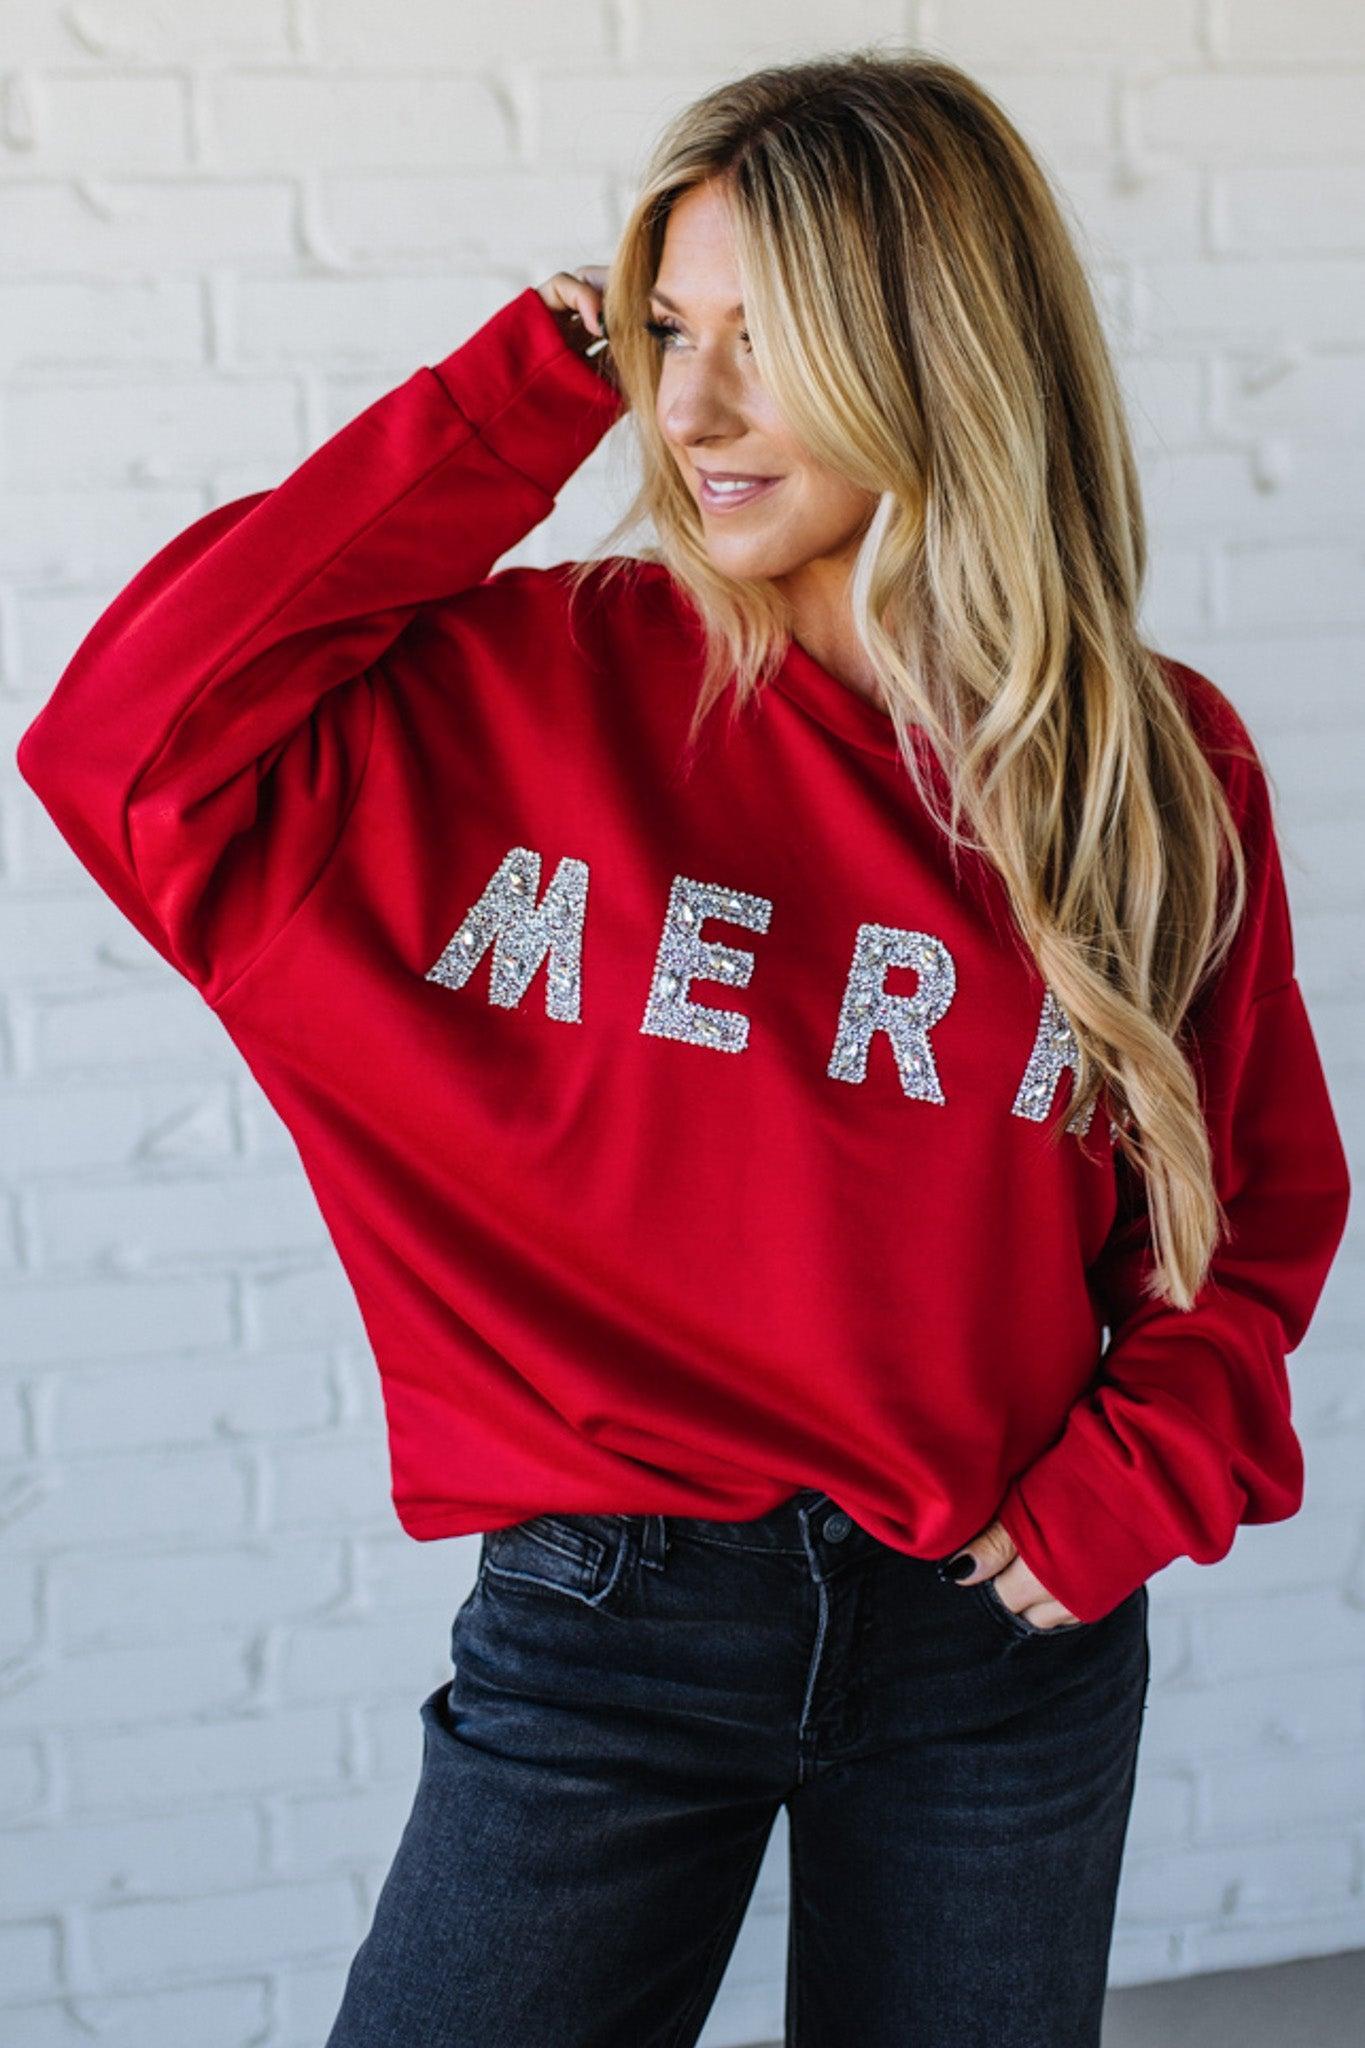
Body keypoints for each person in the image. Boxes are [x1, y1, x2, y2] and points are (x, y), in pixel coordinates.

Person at [15, 47, 1350, 2048]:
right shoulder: (515, 696)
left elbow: (1236, 1202)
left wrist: (1127, 1481)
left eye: (766, 339)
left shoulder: (1141, 767)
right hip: (604, 1630)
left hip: (996, 1630)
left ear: (933, 358)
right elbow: (124, 744)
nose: (691, 407)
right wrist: (521, 384)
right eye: (663, 330)